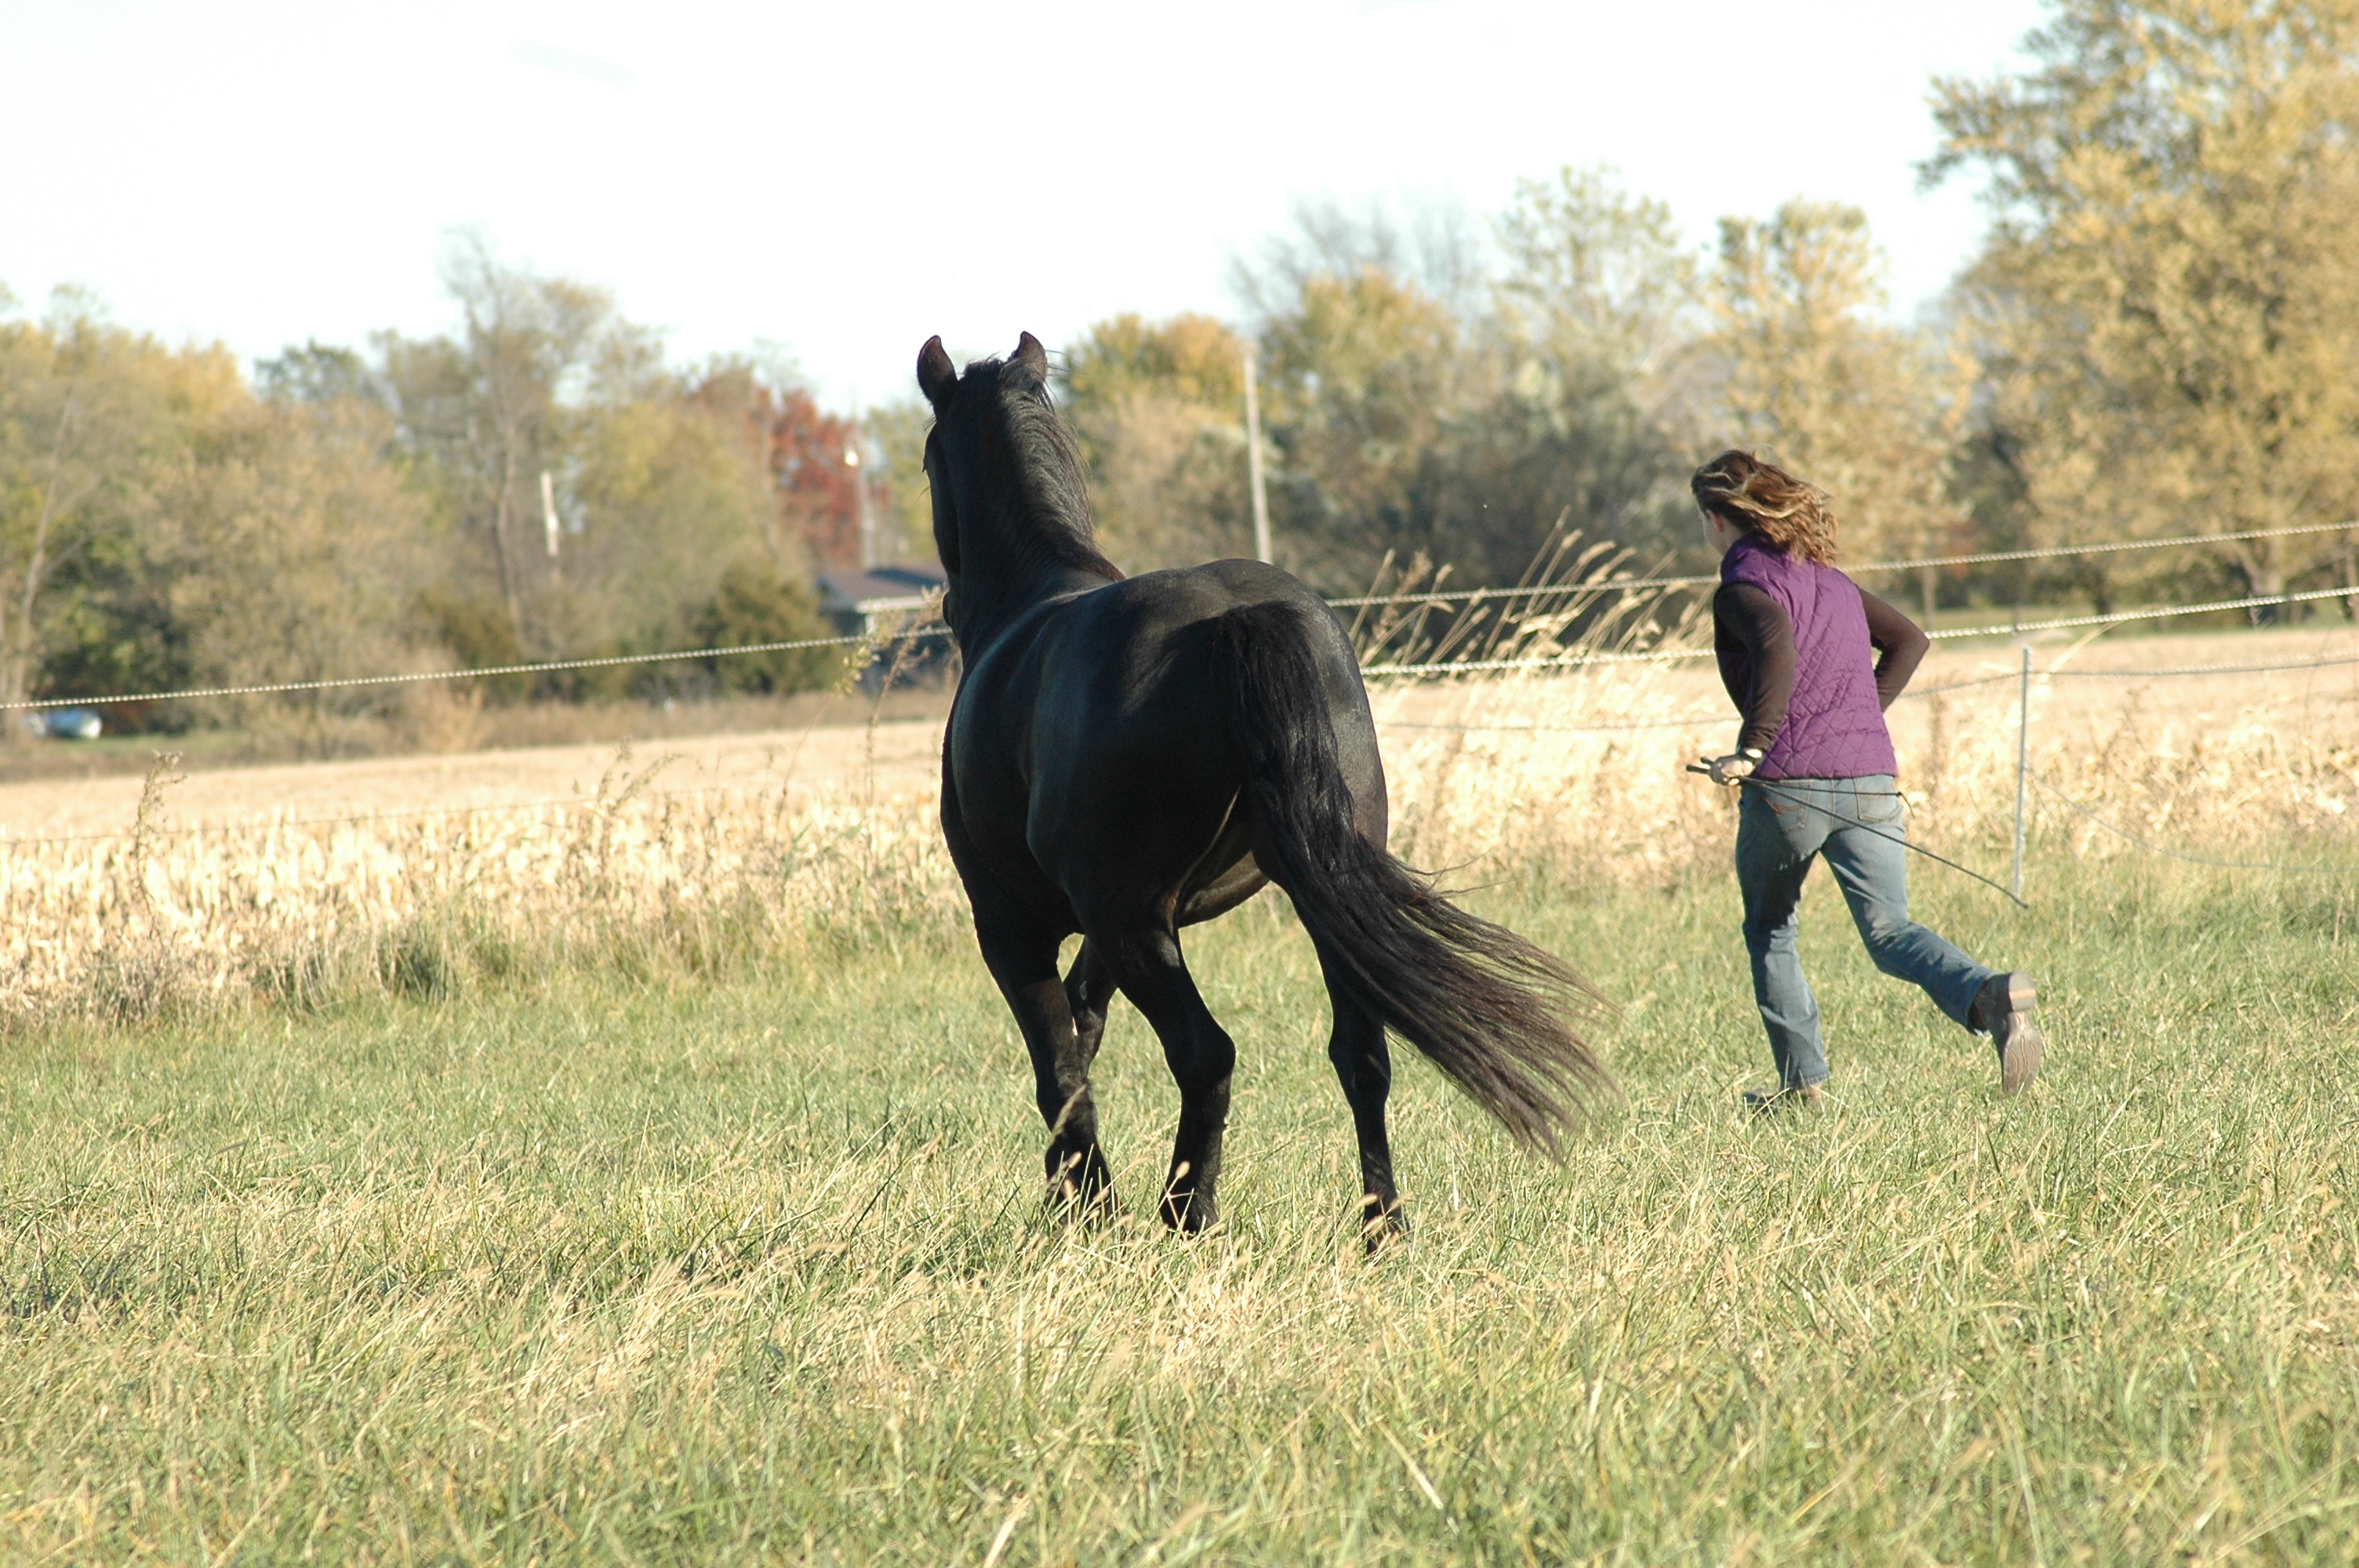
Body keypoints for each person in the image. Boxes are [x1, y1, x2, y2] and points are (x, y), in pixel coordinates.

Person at [1691, 449, 2042, 1108]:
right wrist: (1852, 719)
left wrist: (1751, 749)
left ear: (1716, 520)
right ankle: (1990, 995)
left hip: (1788, 788)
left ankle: (1804, 1087)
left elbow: (1774, 645)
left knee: (1771, 930)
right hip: (1870, 778)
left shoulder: (1743, 587)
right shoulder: (1834, 582)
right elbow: (1910, 640)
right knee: (1889, 933)